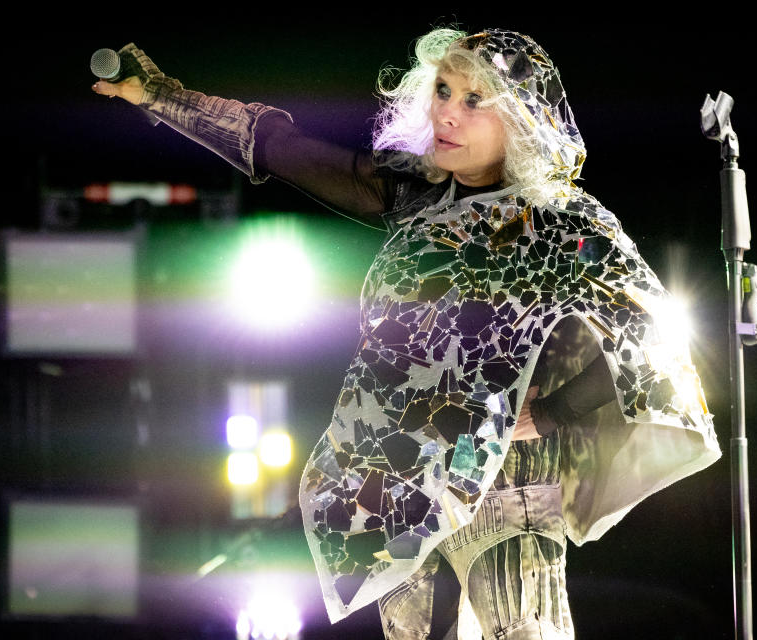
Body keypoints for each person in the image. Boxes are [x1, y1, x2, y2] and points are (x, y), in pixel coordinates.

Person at [93, 27, 721, 640]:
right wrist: (159, 96)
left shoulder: (566, 224)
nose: (448, 112)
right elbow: (279, 149)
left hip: (511, 495)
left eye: (475, 101)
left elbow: (657, 349)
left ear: (523, 120)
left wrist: (554, 411)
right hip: (402, 497)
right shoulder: (414, 194)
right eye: (444, 90)